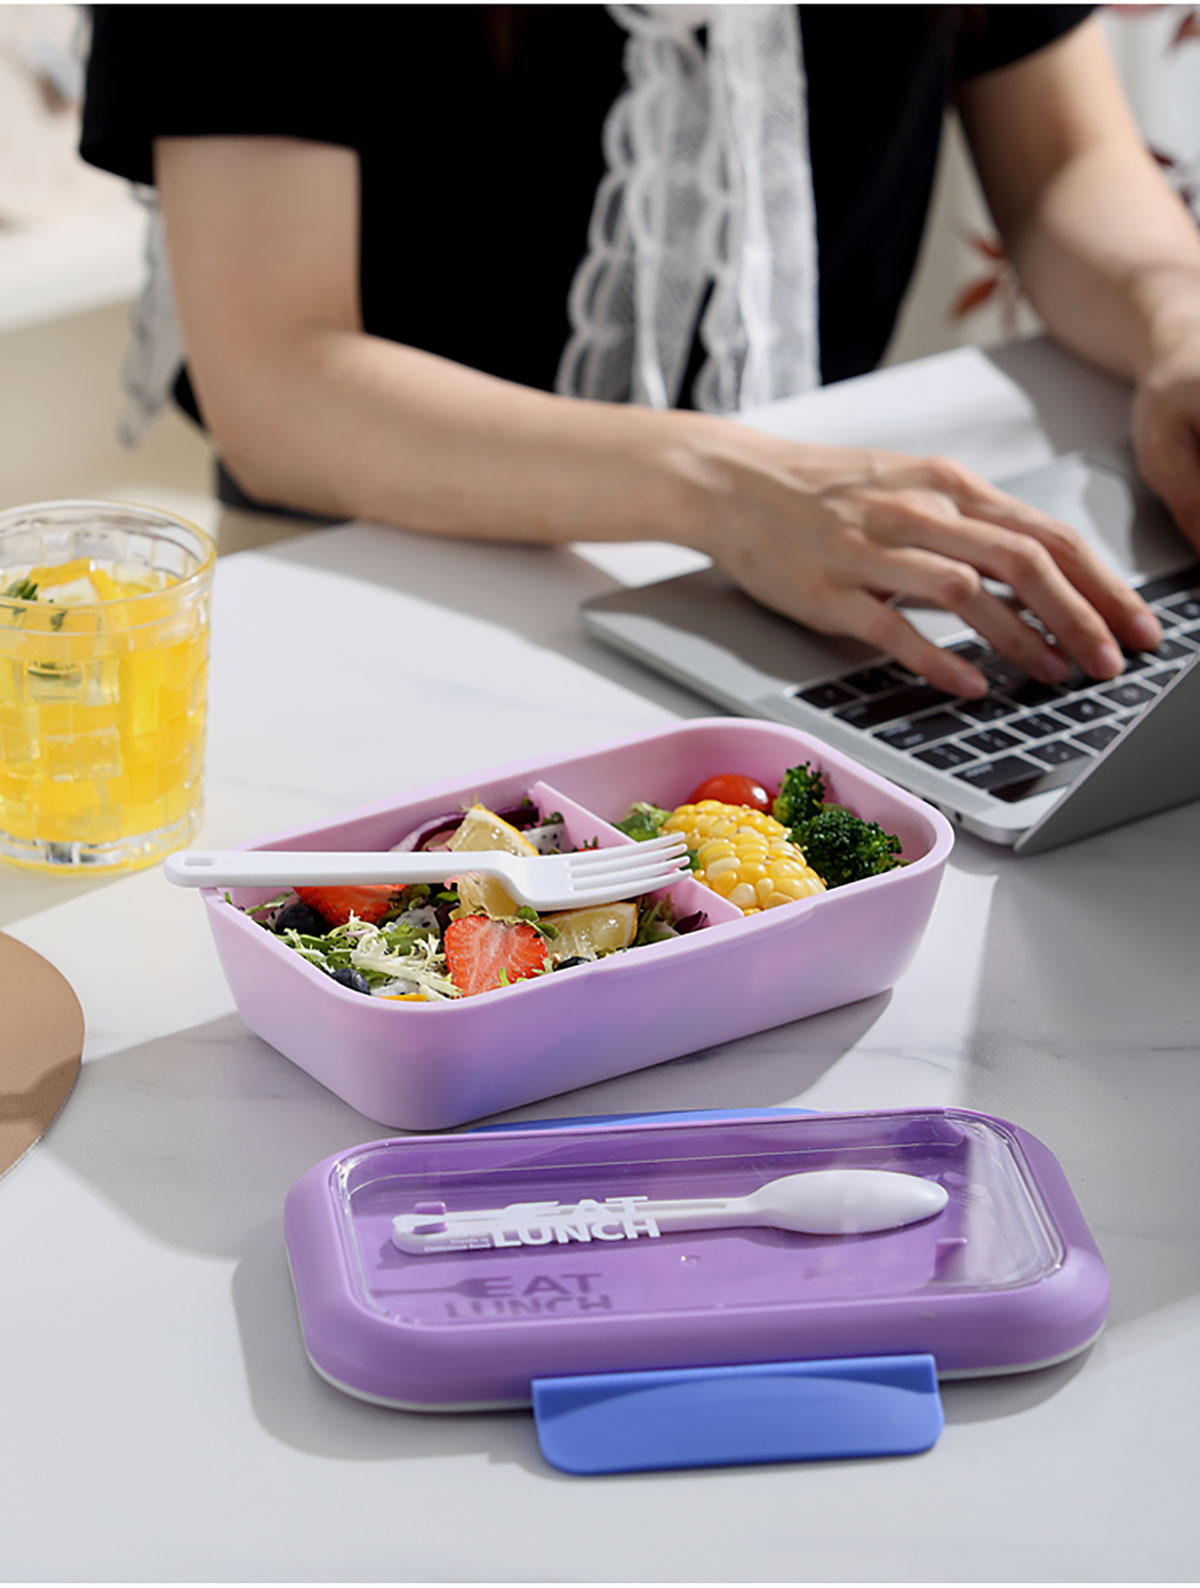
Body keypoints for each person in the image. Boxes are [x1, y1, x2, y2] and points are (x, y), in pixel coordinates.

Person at [80, 5, 1200, 698]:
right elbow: (277, 382)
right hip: (389, 573)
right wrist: (726, 486)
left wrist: (1176, 317)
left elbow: (1061, 165)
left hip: (811, 550)